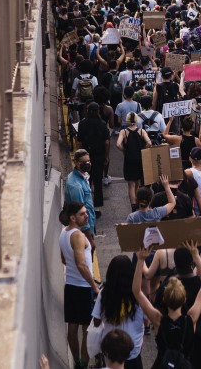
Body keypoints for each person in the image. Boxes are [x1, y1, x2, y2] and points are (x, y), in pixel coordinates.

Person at [133, 242, 201, 369]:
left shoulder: (158, 320)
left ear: (164, 298)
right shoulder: (191, 318)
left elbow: (137, 292)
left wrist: (140, 260)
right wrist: (196, 255)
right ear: (184, 299)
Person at [59, 202, 99, 369]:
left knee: (73, 326)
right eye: (82, 214)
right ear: (72, 217)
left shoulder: (64, 232)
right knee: (87, 328)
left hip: (70, 285)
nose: (87, 215)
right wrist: (94, 285)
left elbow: (64, 260)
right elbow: (81, 264)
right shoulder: (78, 236)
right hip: (83, 287)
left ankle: (77, 362)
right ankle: (83, 363)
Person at [88, 256, 144, 369]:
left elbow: (97, 322)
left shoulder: (104, 294)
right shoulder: (137, 296)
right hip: (133, 349)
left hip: (111, 349)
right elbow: (147, 318)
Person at [78, 101, 111, 209]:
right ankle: (97, 205)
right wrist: (106, 156)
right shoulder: (102, 124)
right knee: (98, 181)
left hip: (86, 155)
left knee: (86, 180)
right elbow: (106, 142)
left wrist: (80, 157)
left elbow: (80, 142)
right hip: (99, 155)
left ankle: (86, 204)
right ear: (98, 111)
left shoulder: (82, 123)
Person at [118, 112, 153, 210]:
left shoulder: (124, 132)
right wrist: (143, 149)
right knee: (138, 182)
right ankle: (138, 202)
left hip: (129, 160)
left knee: (131, 185)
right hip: (140, 159)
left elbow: (118, 144)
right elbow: (149, 143)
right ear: (136, 120)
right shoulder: (141, 131)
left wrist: (124, 150)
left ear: (127, 120)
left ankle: (133, 206)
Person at [64, 149, 97, 247]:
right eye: (83, 162)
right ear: (75, 162)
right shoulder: (76, 186)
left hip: (88, 225)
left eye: (88, 161)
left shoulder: (83, 176)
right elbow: (80, 215)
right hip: (83, 232)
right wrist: (90, 240)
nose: (87, 164)